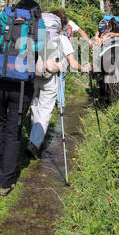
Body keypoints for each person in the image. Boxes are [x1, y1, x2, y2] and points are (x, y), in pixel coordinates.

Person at [0, 0, 44, 196]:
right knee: (14, 129)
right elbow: (45, 65)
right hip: (22, 85)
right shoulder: (35, 25)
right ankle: (5, 183)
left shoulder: (2, 20)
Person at [26, 12, 92, 159]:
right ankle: (34, 143)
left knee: (34, 106)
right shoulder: (62, 39)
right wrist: (86, 68)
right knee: (45, 110)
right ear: (60, 25)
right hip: (50, 78)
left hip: (32, 75)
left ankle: (34, 138)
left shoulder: (35, 34)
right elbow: (73, 64)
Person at [51, 9, 93, 109]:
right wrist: (90, 42)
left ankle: (55, 104)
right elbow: (81, 32)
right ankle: (60, 105)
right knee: (61, 76)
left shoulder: (45, 29)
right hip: (65, 53)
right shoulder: (70, 25)